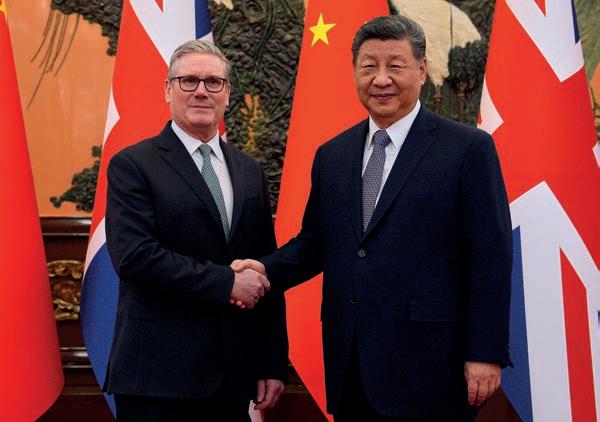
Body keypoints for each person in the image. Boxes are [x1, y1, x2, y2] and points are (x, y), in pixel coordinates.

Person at [233, 15, 512, 421]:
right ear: (355, 73)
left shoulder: (467, 149)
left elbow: (490, 256)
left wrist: (486, 352)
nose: (381, 79)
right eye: (369, 66)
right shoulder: (333, 155)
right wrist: (265, 269)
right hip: (352, 364)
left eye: (395, 65)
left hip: (434, 366)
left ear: (421, 70)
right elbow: (315, 243)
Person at [103, 39, 288, 421]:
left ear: (227, 93)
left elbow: (263, 265)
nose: (202, 91)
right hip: (158, 378)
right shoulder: (133, 165)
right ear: (168, 89)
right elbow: (136, 258)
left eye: (213, 82)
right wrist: (227, 283)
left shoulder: (249, 170)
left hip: (233, 377)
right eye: (188, 81)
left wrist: (271, 360)